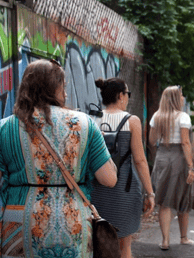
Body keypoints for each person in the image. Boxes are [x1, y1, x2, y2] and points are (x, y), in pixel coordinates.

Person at [0, 59, 118, 257]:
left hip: (19, 224)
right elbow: (109, 178)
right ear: (55, 88)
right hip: (73, 225)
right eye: (63, 87)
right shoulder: (85, 124)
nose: (65, 93)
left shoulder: (5, 127)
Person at [91, 78, 155, 258]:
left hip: (96, 190)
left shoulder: (91, 119)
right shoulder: (131, 121)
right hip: (124, 191)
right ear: (121, 95)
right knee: (124, 247)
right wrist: (150, 193)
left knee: (97, 245)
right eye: (128, 94)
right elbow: (140, 161)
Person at [149, 85, 194, 251]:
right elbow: (185, 142)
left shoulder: (157, 116)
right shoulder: (183, 117)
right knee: (184, 195)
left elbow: (152, 140)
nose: (183, 98)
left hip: (162, 157)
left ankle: (165, 241)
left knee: (165, 201)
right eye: (181, 95)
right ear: (176, 99)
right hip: (179, 158)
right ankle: (183, 237)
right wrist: (191, 166)